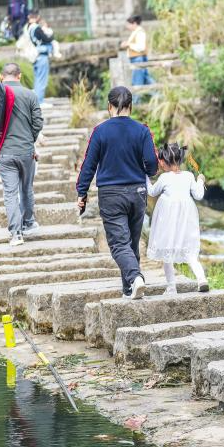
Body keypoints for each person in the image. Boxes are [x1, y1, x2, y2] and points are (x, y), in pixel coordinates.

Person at [76, 86, 159, 299]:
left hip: (111, 194)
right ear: (130, 106)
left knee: (119, 244)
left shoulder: (100, 131)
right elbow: (152, 164)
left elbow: (88, 165)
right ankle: (129, 289)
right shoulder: (142, 130)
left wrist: (82, 192)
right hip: (138, 192)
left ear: (109, 106)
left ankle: (135, 278)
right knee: (131, 243)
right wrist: (146, 171)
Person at [0, 63, 43, 246]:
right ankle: (28, 223)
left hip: (4, 153)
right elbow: (38, 123)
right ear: (19, 76)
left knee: (10, 193)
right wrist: (29, 139)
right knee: (26, 188)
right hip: (26, 151)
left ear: (1, 76)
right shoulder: (30, 95)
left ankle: (16, 234)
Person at [146, 143, 210, 294]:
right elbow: (198, 195)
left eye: (160, 160)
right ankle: (202, 279)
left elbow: (152, 192)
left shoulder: (164, 178)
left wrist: (145, 177)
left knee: (167, 252)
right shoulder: (189, 176)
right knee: (190, 251)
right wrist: (200, 180)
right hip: (186, 218)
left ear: (163, 161)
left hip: (168, 220)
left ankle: (171, 287)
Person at [22, 10, 59, 104]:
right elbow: (47, 39)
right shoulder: (36, 28)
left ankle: (37, 101)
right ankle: (40, 102)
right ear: (37, 16)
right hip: (41, 56)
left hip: (35, 56)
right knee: (42, 80)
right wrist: (52, 35)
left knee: (37, 79)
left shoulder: (28, 27)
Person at [121, 15, 154, 86]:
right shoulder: (135, 32)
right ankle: (157, 91)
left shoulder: (140, 32)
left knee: (137, 81)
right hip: (137, 58)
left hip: (138, 58)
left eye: (128, 24)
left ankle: (156, 90)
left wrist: (128, 44)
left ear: (134, 23)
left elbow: (141, 47)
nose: (127, 26)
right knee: (145, 78)